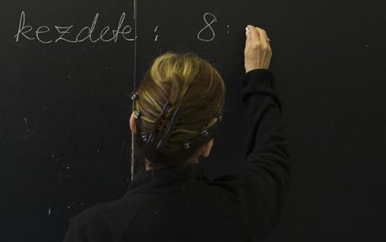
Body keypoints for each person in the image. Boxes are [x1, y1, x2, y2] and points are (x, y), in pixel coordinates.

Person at [64, 25, 290, 241]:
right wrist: (257, 78)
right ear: (207, 145)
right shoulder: (240, 211)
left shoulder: (93, 231)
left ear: (133, 124)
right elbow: (272, 157)